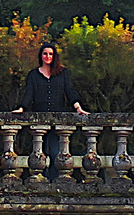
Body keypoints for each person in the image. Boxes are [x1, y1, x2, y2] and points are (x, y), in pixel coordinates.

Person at [12, 41, 87, 178]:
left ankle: (53, 181)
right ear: (41, 56)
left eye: (50, 54)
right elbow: (29, 94)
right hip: (39, 119)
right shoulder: (33, 75)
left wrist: (78, 108)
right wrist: (21, 108)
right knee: (37, 152)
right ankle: (37, 180)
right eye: (45, 54)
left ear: (54, 56)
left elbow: (69, 91)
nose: (48, 56)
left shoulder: (63, 73)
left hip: (57, 119)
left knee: (55, 151)